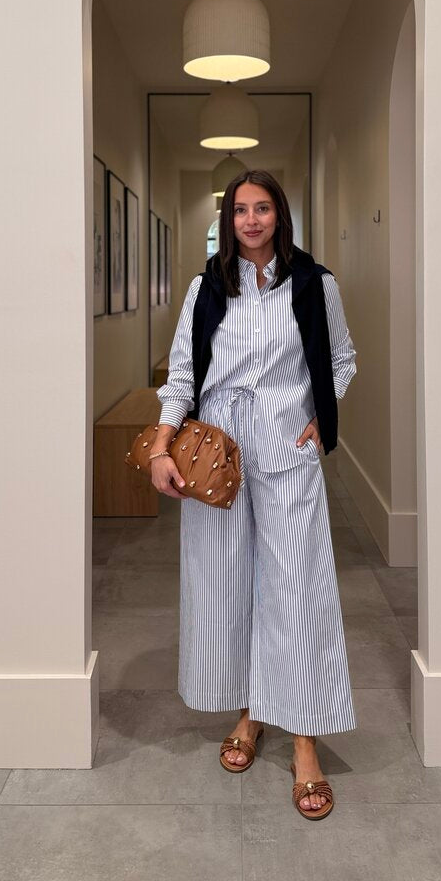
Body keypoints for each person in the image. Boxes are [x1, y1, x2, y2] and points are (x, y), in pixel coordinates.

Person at [150, 170, 357, 821]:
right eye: (240, 209)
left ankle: (304, 739)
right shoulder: (206, 289)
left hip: (287, 448)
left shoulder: (315, 284)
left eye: (262, 208)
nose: (251, 220)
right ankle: (250, 713)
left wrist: (319, 418)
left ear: (279, 215)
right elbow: (182, 373)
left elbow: (342, 360)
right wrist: (160, 446)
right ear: (228, 219)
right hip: (217, 451)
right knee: (229, 586)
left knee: (296, 589)